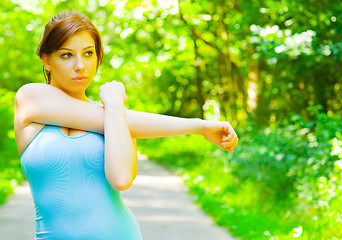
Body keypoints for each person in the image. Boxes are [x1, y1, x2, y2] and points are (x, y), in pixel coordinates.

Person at [13, 11, 239, 239]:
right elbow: (124, 121)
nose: (80, 65)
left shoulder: (116, 116)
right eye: (66, 55)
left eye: (88, 53)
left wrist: (113, 105)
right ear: (46, 60)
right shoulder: (31, 98)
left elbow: (121, 179)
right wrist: (200, 126)